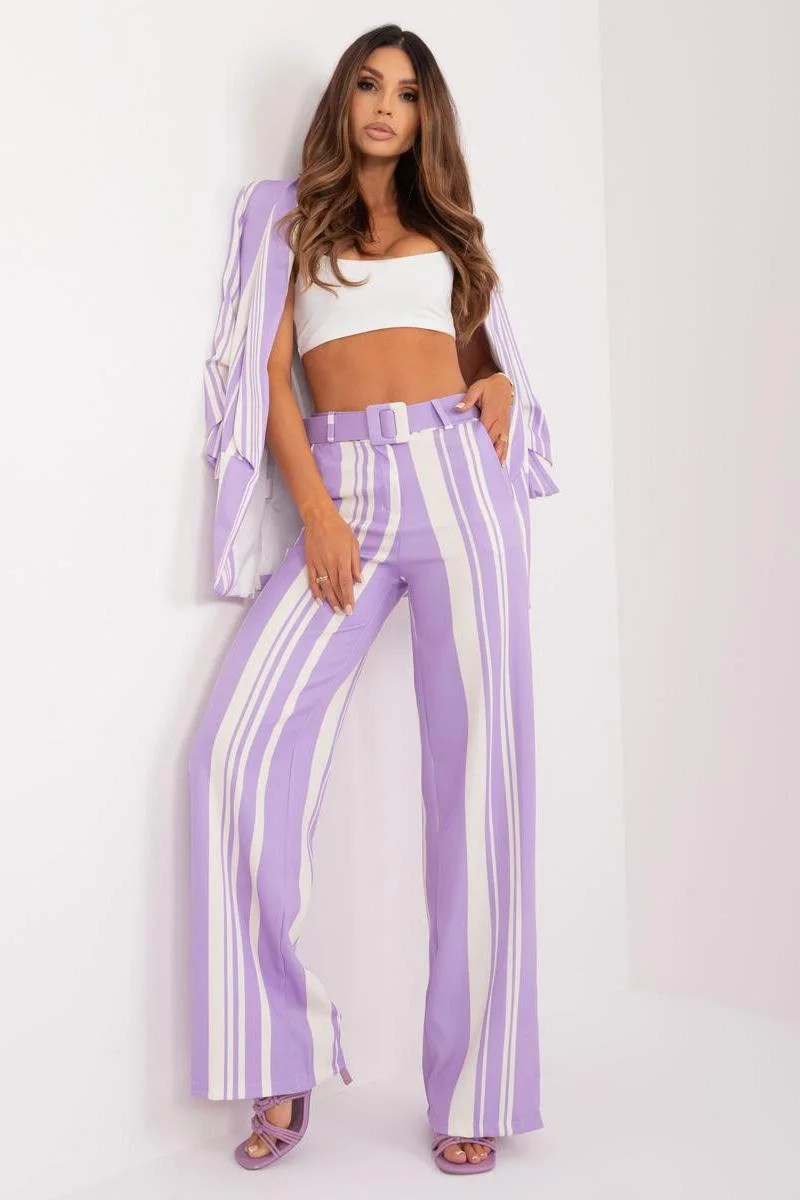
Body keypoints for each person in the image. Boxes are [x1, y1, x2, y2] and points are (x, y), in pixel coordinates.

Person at [188, 23, 559, 1177]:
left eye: (405, 91)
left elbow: (480, 357)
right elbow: (266, 373)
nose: (385, 105)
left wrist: (497, 388)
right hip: (342, 490)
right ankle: (279, 1055)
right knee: (234, 750)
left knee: (480, 787)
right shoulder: (284, 218)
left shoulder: (450, 236)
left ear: (424, 115)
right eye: (367, 84)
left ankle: (476, 1088)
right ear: (344, 101)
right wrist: (314, 510)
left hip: (456, 483)